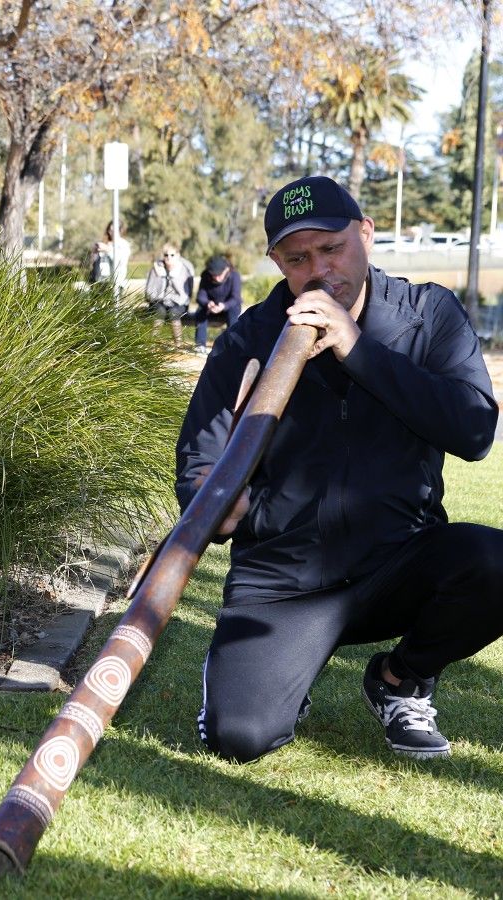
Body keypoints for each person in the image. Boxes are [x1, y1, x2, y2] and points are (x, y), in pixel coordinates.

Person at [176, 174, 503, 763]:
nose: (320, 270)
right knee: (239, 737)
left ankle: (400, 679)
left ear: (366, 234)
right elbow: (199, 476)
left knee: (495, 563)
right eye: (298, 258)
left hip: (398, 560)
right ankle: (278, 673)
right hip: (283, 580)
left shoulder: (428, 314)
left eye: (332, 248)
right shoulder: (247, 340)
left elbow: (476, 430)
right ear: (277, 262)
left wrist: (356, 348)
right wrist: (230, 503)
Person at [145, 244, 195, 347]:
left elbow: (185, 294)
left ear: (177, 255)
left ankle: (178, 345)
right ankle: (151, 344)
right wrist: (160, 298)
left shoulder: (183, 269)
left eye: (172, 255)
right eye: (166, 255)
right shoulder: (156, 268)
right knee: (159, 312)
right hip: (158, 301)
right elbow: (149, 291)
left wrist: (172, 275)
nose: (169, 257)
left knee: (174, 313)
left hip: (178, 302)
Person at [190, 255, 242, 354]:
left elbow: (236, 298)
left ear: (226, 270)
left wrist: (224, 306)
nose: (216, 277)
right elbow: (200, 296)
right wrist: (207, 303)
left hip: (229, 306)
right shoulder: (205, 275)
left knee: (233, 314)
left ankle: (232, 346)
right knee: (200, 312)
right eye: (214, 275)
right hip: (211, 307)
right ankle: (200, 345)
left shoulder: (234, 275)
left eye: (219, 274)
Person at [89, 220, 131, 288]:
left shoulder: (124, 245)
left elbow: (121, 262)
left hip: (116, 284)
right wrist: (94, 252)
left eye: (113, 230)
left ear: (120, 231)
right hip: (99, 282)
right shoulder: (105, 243)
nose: (110, 232)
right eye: (109, 230)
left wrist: (108, 250)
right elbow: (93, 262)